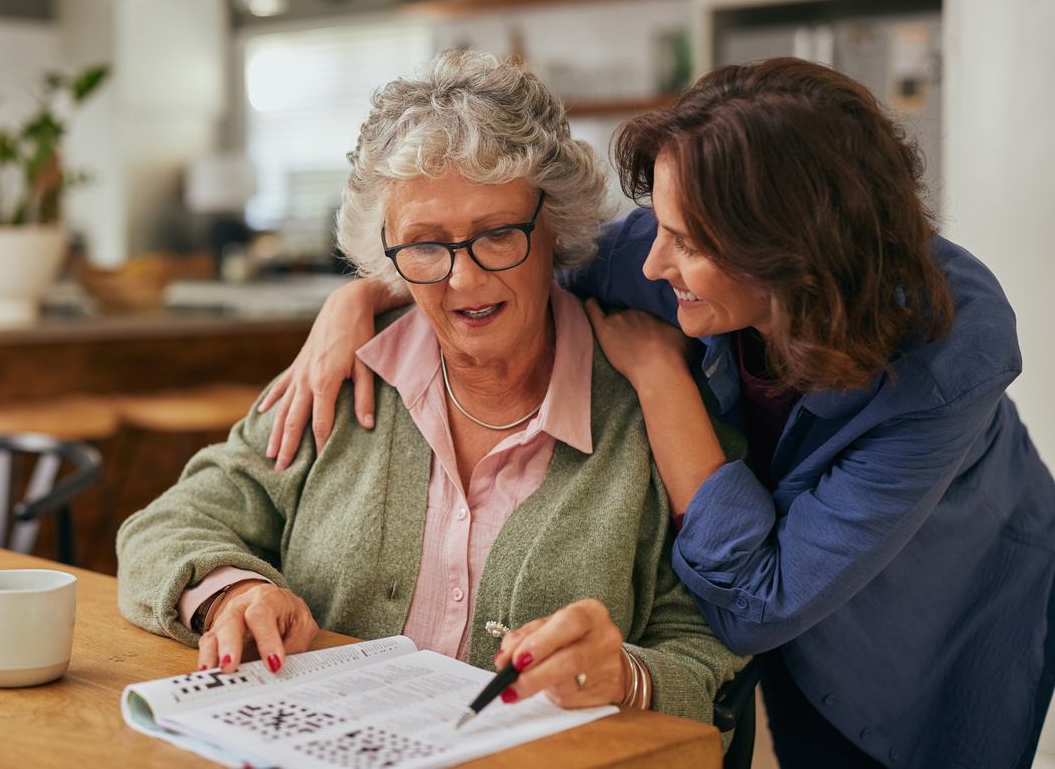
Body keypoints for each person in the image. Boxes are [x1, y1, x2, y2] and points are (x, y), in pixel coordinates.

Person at [260, 56, 1055, 769]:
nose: (649, 260)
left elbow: (756, 603)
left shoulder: (951, 355)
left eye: (686, 241)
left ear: (789, 257)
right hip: (748, 564)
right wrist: (361, 297)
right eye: (659, 224)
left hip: (934, 602)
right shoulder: (662, 259)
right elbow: (502, 264)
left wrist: (657, 377)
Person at [117, 49, 748, 730]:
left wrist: (626, 674)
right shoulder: (338, 377)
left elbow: (712, 658)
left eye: (498, 233)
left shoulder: (656, 407)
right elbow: (166, 527)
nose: (464, 281)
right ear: (381, 250)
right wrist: (231, 592)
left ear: (554, 222)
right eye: (423, 244)